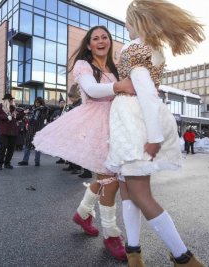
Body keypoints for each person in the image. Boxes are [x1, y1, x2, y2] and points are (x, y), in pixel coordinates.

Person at [104, 1, 206, 266]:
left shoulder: (135, 50)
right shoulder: (153, 50)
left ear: (134, 22)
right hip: (131, 124)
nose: (125, 28)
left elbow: (147, 93)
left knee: (139, 194)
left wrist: (154, 136)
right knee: (127, 192)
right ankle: (133, 252)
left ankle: (182, 256)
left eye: (126, 23)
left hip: (132, 125)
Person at [33, 26, 136, 261]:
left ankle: (82, 214)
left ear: (110, 42)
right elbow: (91, 89)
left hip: (118, 123)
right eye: (95, 38)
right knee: (110, 181)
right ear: (89, 45)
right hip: (96, 124)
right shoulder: (83, 65)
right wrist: (120, 86)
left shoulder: (116, 68)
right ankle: (111, 235)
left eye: (105, 37)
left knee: (103, 179)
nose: (101, 41)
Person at [0, 93, 26, 170]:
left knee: (11, 148)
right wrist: (6, 117)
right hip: (4, 131)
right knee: (3, 146)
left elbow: (16, 117)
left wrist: (23, 113)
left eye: (11, 100)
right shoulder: (0, 107)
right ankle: (0, 163)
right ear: (6, 100)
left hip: (12, 131)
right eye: (10, 99)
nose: (11, 101)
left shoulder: (13, 108)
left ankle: (7, 163)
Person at [18, 97, 49, 167]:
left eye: (38, 102)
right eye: (36, 102)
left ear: (41, 103)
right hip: (31, 129)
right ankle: (25, 160)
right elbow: (30, 118)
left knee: (37, 146)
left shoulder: (43, 109)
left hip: (38, 129)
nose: (37, 104)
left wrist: (40, 109)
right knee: (27, 144)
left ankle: (37, 161)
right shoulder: (33, 109)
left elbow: (45, 113)